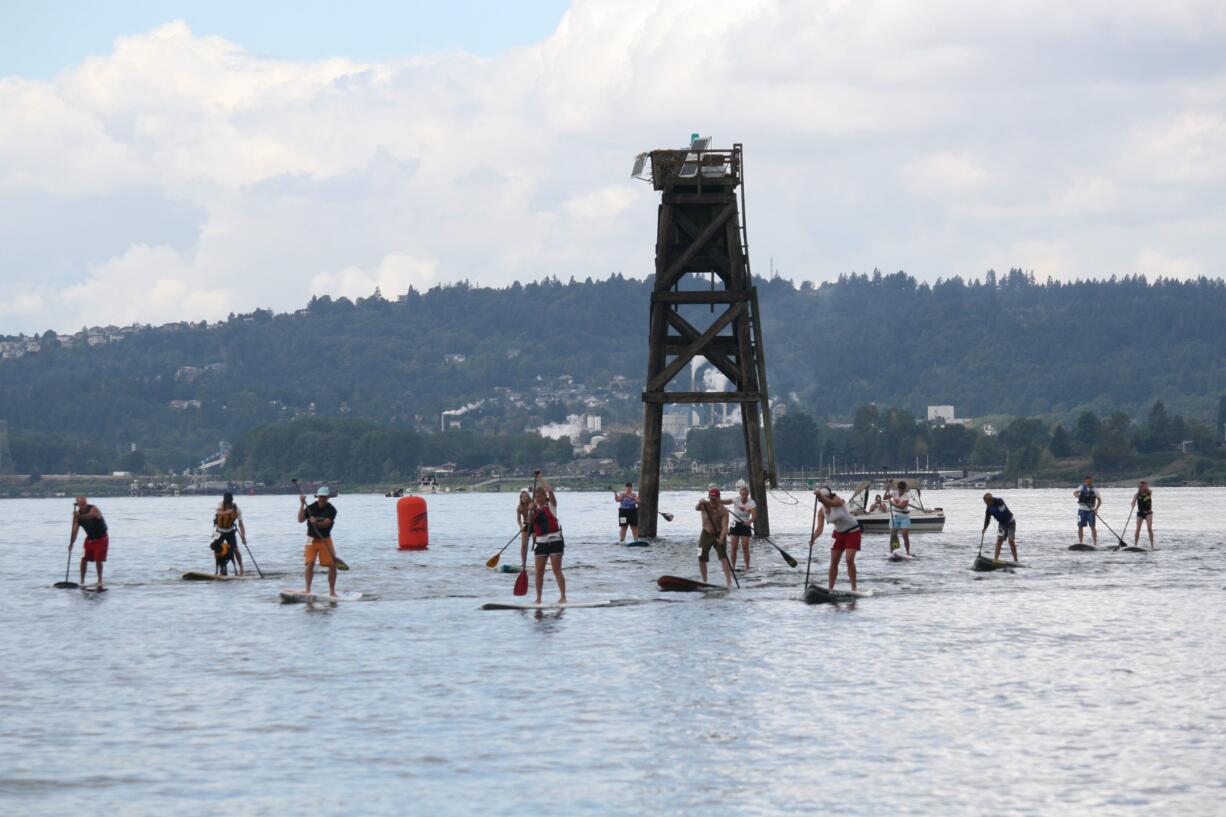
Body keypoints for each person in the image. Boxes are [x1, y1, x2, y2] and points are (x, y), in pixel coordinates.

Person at [811, 487, 862, 591]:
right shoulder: (821, 511)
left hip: (853, 531)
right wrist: (813, 538)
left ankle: (854, 588)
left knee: (849, 560)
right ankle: (830, 589)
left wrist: (820, 496)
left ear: (828, 496)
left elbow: (832, 504)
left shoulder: (837, 500)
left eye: (824, 498)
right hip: (838, 534)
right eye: (820, 500)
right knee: (834, 561)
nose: (822, 501)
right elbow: (819, 529)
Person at [529, 470, 566, 604]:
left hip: (555, 540)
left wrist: (540, 478)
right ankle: (538, 599)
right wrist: (530, 510)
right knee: (539, 572)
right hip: (541, 542)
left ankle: (563, 597)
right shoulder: (533, 509)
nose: (539, 498)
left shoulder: (551, 505)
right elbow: (529, 524)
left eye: (541, 496)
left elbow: (550, 489)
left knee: (557, 570)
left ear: (544, 497)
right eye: (536, 496)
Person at [298, 486, 339, 597]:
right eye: (320, 497)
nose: (322, 499)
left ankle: (332, 592)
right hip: (310, 538)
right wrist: (302, 504)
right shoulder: (311, 507)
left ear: (328, 498)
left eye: (324, 497)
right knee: (310, 563)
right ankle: (307, 589)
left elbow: (326, 523)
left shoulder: (331, 509)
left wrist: (315, 522)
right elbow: (300, 519)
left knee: (332, 565)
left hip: (325, 539)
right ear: (317, 497)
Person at [695, 486, 734, 588]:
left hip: (719, 533)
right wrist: (700, 502)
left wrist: (721, 538)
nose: (712, 501)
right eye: (710, 499)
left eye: (714, 499)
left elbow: (725, 527)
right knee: (700, 557)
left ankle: (729, 582)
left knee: (724, 558)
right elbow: (696, 508)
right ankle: (704, 581)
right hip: (705, 533)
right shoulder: (705, 505)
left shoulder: (723, 511)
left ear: (718, 498)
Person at [69, 496, 108, 589]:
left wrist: (78, 517)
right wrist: (71, 544)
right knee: (84, 559)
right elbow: (74, 531)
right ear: (77, 505)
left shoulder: (94, 509)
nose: (83, 506)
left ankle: (100, 580)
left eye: (84, 504)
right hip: (90, 538)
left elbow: (91, 516)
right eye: (81, 505)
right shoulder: (77, 516)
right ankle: (82, 580)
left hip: (101, 537)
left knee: (98, 560)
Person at [212, 491, 247, 576]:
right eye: (226, 503)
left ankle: (241, 570)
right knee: (217, 550)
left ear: (231, 501)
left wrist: (243, 536)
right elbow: (218, 513)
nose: (227, 505)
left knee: (235, 550)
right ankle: (221, 570)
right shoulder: (220, 504)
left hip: (230, 531)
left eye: (229, 503)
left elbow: (241, 524)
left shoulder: (237, 509)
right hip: (219, 531)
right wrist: (228, 512)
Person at [982, 493, 1018, 562]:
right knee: (999, 541)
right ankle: (995, 560)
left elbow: (1002, 509)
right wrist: (984, 528)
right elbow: (987, 519)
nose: (986, 504)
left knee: (1011, 541)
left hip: (1011, 523)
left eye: (986, 502)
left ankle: (1016, 561)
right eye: (985, 502)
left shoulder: (999, 501)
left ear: (990, 500)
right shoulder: (988, 509)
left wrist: (992, 500)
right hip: (1002, 525)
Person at [728, 483, 757, 570]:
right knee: (734, 547)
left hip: (745, 524)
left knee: (745, 548)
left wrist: (750, 521)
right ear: (740, 494)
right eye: (742, 494)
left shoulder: (751, 502)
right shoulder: (735, 500)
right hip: (735, 524)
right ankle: (733, 567)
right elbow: (724, 501)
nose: (744, 496)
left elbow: (754, 516)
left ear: (748, 495)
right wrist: (715, 500)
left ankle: (747, 567)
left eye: (745, 494)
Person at [1074, 475, 1101, 546]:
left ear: (1091, 481)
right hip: (1081, 510)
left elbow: (1099, 501)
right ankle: (1081, 542)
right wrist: (1076, 495)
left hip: (1091, 511)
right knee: (1080, 526)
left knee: (1092, 526)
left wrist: (1096, 509)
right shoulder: (1081, 487)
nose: (1088, 483)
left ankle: (1095, 543)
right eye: (1087, 481)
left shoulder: (1095, 489)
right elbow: (1075, 492)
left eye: (1090, 481)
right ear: (1085, 481)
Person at [889, 480, 912, 555]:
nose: (901, 491)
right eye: (900, 490)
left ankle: (907, 552)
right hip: (895, 515)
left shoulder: (906, 495)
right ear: (898, 488)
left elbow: (902, 507)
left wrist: (892, 503)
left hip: (904, 516)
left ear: (904, 489)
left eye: (903, 490)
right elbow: (885, 497)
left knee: (904, 535)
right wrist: (887, 490)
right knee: (893, 534)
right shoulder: (894, 492)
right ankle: (893, 551)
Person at [1132, 481, 1155, 549]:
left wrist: (1145, 487)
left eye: (1143, 486)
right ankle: (1135, 545)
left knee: (1149, 529)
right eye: (1141, 486)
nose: (1142, 488)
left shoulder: (1149, 492)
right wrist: (1133, 504)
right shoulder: (1136, 495)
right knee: (1138, 529)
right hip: (1140, 513)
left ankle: (1152, 546)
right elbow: (1133, 501)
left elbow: (1148, 490)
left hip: (1148, 513)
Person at [516, 489, 533, 571]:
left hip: (535, 524)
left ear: (528, 497)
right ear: (520, 498)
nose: (524, 498)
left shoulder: (532, 504)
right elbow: (519, 519)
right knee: (523, 546)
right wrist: (520, 527)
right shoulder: (519, 507)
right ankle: (523, 563)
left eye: (526, 496)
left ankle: (543, 560)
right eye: (522, 497)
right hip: (526, 525)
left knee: (537, 543)